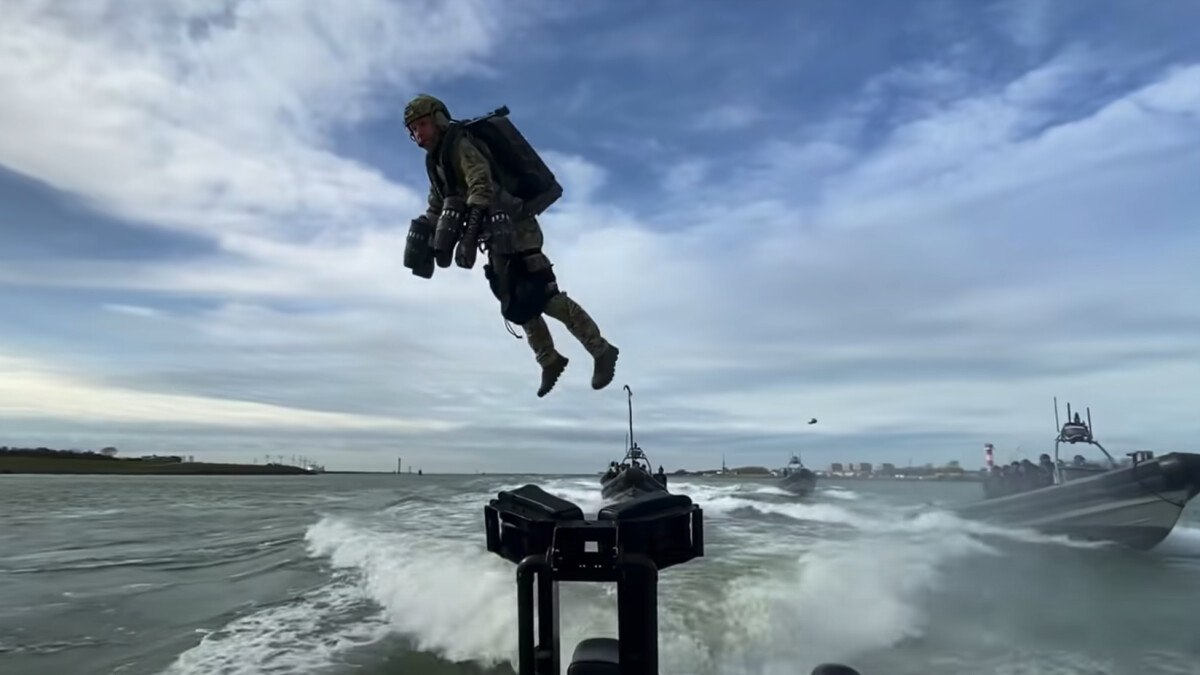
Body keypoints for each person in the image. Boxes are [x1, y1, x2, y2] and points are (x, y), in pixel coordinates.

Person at [402, 94, 619, 397]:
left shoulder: (460, 145)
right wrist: (426, 228)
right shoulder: (436, 161)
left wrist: (471, 225)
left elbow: (482, 183)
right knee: (512, 298)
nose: (418, 134)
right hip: (493, 234)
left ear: (438, 119)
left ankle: (601, 349)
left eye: (422, 125)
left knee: (543, 294)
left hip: (516, 226)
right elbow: (438, 202)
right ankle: (549, 359)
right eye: (412, 130)